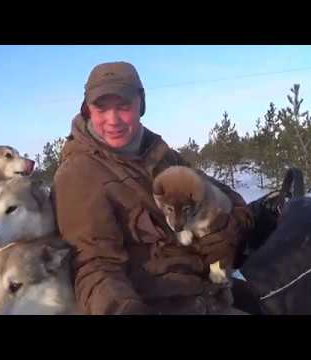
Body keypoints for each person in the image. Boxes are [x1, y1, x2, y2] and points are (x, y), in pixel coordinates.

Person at [53, 62, 253, 315]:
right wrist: (122, 309)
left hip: (210, 291)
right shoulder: (79, 173)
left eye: (124, 107)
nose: (112, 120)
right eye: (101, 108)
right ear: (87, 109)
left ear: (141, 104)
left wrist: (227, 228)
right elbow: (93, 265)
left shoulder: (162, 155)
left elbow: (223, 196)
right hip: (162, 305)